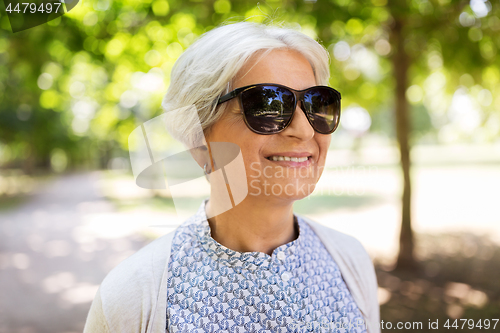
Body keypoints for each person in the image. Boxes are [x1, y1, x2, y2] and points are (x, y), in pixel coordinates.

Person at [83, 21, 380, 333]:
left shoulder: (351, 261)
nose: (305, 129)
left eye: (318, 104)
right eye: (268, 105)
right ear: (197, 135)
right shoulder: (131, 297)